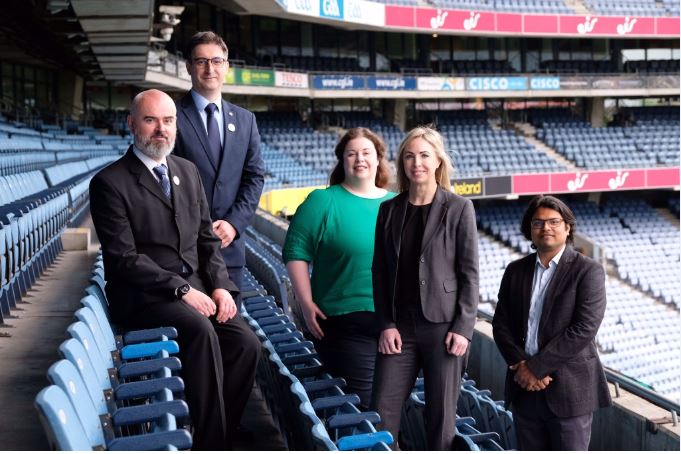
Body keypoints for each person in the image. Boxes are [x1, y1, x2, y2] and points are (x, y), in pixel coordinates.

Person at [89, 89, 260, 450]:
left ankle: (219, 431)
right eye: (151, 120)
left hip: (196, 287)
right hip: (144, 295)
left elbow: (205, 238)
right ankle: (211, 443)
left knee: (245, 343)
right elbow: (124, 258)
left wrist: (220, 286)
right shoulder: (109, 182)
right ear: (132, 124)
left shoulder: (186, 170)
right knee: (200, 331)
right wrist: (181, 289)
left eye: (168, 121)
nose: (160, 130)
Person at [371, 126, 479, 450]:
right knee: (381, 410)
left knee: (441, 418)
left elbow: (470, 274)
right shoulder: (389, 209)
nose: (416, 162)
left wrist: (463, 328)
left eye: (424, 155)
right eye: (409, 156)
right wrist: (386, 324)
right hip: (399, 328)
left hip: (443, 327)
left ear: (437, 161)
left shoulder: (459, 208)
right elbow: (378, 271)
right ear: (402, 163)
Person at [283, 127, 395, 407]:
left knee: (391, 405)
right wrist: (305, 302)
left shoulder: (396, 204)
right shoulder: (323, 201)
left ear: (379, 159)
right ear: (342, 160)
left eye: (367, 153)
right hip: (344, 323)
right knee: (368, 406)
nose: (360, 159)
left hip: (394, 322)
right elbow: (296, 252)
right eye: (352, 153)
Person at [492, 195, 611, 450]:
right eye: (538, 223)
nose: (546, 228)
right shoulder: (515, 271)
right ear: (530, 230)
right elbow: (500, 324)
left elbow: (584, 329)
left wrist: (536, 368)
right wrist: (521, 366)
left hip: (569, 393)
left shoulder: (588, 271)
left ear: (567, 227)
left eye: (554, 222)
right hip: (524, 389)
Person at [174, 31, 265, 293]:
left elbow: (254, 177)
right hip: (185, 251)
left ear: (226, 66)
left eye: (216, 61)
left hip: (229, 249)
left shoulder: (246, 120)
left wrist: (234, 224)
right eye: (201, 61)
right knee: (198, 332)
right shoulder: (170, 116)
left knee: (231, 329)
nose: (209, 68)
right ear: (189, 67)